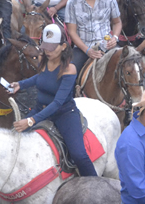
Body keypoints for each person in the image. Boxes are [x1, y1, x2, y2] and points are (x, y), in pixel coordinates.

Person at [10, 25, 97, 177]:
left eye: (51, 48)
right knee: (14, 140)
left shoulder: (69, 69)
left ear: (63, 46)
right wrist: (20, 84)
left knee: (79, 155)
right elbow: (40, 77)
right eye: (45, 47)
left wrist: (31, 121)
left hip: (64, 114)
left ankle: (94, 183)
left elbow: (58, 103)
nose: (47, 51)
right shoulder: (43, 60)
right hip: (40, 109)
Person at [66, 0, 121, 72]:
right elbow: (72, 32)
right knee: (70, 71)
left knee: (128, 66)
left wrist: (115, 38)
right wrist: (87, 50)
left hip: (107, 45)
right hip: (83, 48)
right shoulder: (72, 3)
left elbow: (117, 22)